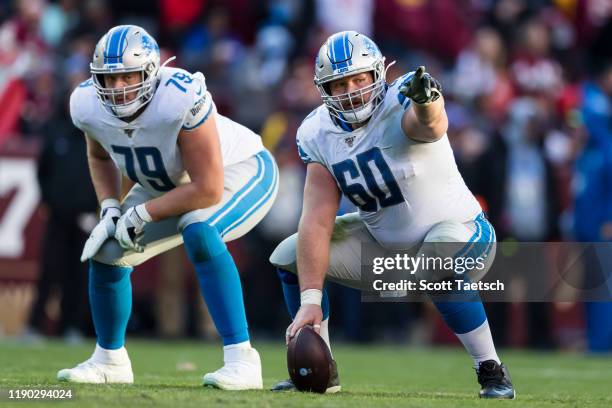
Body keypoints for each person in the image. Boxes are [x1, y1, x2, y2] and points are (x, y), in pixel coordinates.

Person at [269, 31, 515, 399]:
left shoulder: (403, 99)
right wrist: (310, 301)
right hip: (386, 252)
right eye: (339, 84)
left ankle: (492, 370)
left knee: (439, 255)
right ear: (324, 88)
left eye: (359, 79)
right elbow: (317, 218)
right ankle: (323, 370)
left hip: (463, 235)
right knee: (290, 255)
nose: (351, 90)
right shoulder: (317, 132)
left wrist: (428, 102)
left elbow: (429, 125)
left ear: (378, 74)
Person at [57, 25, 279, 390]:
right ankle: (109, 359)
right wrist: (111, 207)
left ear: (150, 72)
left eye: (128, 75)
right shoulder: (86, 104)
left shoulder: (179, 97)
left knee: (200, 229)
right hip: (165, 184)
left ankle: (243, 360)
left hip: (240, 169)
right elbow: (98, 155)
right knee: (109, 251)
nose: (117, 88)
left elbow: (207, 188)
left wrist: (142, 213)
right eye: (109, 78)